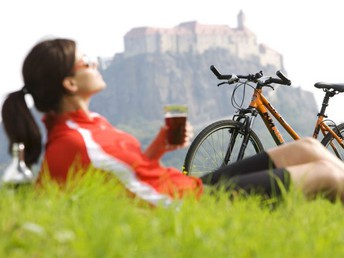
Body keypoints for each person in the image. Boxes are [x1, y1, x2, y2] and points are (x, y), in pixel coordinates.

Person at [2, 38, 344, 206]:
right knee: (324, 173)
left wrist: (158, 147)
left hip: (180, 189)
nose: (93, 63)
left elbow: (127, 177)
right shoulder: (74, 142)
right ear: (70, 83)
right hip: (185, 207)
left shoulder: (92, 124)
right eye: (84, 62)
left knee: (307, 147)